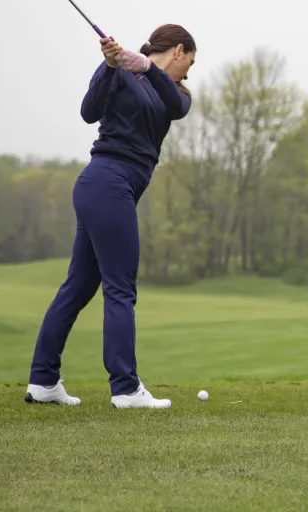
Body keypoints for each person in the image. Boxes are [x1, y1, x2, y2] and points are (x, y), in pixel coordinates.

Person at [24, 24, 197, 409]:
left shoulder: (177, 92)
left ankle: (43, 381)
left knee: (79, 286)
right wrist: (108, 66)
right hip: (106, 183)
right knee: (120, 288)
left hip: (106, 189)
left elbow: (176, 106)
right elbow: (89, 112)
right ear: (179, 51)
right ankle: (125, 387)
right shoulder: (117, 71)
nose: (189, 72)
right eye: (189, 62)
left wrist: (146, 68)